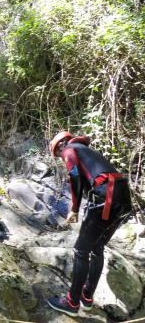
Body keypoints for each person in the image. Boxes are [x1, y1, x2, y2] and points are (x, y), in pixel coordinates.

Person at [46, 132, 132, 317]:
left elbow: (75, 177)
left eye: (58, 155)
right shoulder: (86, 151)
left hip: (108, 195)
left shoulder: (69, 149)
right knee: (97, 246)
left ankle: (72, 302)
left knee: (81, 250)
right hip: (122, 195)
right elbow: (88, 181)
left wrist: (74, 209)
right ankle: (87, 297)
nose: (62, 159)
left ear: (61, 145)